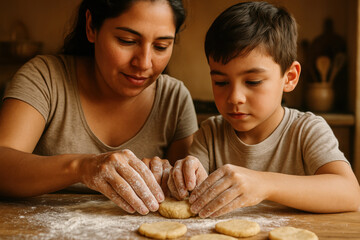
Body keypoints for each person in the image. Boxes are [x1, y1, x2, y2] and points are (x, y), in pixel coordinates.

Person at [0, 0, 198, 216]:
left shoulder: (174, 98)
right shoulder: (45, 77)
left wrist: (174, 177)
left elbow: (184, 193)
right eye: (127, 40)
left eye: (161, 46)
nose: (143, 63)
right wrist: (83, 167)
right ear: (91, 27)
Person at [167, 1, 360, 218]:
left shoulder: (307, 130)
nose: (235, 97)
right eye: (221, 82)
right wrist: (183, 177)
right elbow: (189, 192)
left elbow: (350, 193)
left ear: (290, 78)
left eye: (253, 82)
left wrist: (264, 184)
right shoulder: (210, 134)